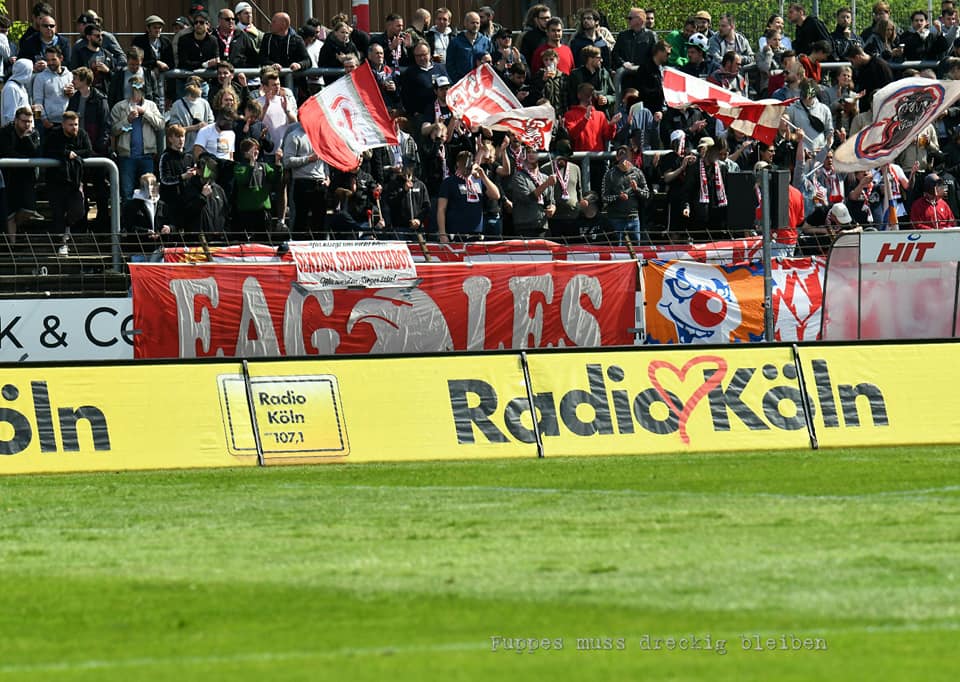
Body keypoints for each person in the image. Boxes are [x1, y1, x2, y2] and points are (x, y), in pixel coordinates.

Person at [67, 66, 111, 233]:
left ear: (84, 80)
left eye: (76, 78)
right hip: (80, 149)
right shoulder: (75, 98)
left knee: (100, 187)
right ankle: (81, 221)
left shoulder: (100, 99)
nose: (73, 81)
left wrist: (100, 146)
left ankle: (102, 221)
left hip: (97, 151)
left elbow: (105, 125)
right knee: (79, 186)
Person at [109, 75, 164, 201]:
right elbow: (113, 130)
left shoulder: (151, 106)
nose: (135, 93)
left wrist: (145, 113)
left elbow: (161, 124)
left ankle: (147, 219)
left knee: (149, 193)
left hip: (147, 156)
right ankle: (128, 220)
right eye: (133, 89)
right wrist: (127, 120)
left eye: (138, 89)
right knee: (127, 193)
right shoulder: (119, 107)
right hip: (126, 157)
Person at [436, 150, 500, 242]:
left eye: (471, 162)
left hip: (477, 233)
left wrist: (483, 176)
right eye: (465, 161)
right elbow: (441, 209)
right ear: (458, 163)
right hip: (456, 233)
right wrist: (442, 233)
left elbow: (496, 195)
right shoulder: (449, 182)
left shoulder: (478, 180)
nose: (468, 165)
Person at [0, 107, 41, 242]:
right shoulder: (6, 132)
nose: (27, 125)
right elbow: (7, 152)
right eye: (24, 121)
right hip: (8, 176)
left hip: (26, 177)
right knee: (9, 212)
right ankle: (12, 245)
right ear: (16, 120)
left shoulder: (33, 133)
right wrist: (24, 159)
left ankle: (15, 232)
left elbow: (36, 153)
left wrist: (27, 137)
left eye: (30, 121)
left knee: (29, 209)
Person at [283, 121, 329, 237]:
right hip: (303, 182)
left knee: (320, 222)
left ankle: (319, 251)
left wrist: (327, 176)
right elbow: (287, 161)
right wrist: (308, 159)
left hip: (321, 183)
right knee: (300, 220)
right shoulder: (294, 135)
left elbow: (325, 160)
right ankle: (298, 249)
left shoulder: (320, 136)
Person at [602, 145, 649, 245]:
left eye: (626, 154)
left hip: (633, 217)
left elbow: (647, 194)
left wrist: (637, 190)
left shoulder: (637, 172)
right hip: (616, 218)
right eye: (620, 154)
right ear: (617, 157)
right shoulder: (610, 174)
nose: (623, 157)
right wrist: (618, 197)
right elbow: (604, 197)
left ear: (630, 156)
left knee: (637, 249)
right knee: (617, 250)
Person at [232, 138, 276, 234]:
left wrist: (278, 163)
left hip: (263, 211)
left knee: (264, 242)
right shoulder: (239, 167)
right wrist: (251, 164)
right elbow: (244, 180)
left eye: (257, 149)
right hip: (246, 212)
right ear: (245, 152)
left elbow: (276, 179)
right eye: (253, 149)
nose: (256, 151)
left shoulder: (264, 166)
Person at [509, 148, 556, 238]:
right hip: (525, 226)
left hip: (542, 226)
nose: (531, 154)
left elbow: (551, 201)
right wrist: (546, 184)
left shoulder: (545, 177)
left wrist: (552, 208)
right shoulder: (518, 176)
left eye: (534, 152)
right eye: (528, 152)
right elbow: (527, 198)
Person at [158, 124, 195, 230]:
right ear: (170, 139)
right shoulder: (165, 157)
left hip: (186, 201)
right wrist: (182, 177)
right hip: (171, 202)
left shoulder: (189, 157)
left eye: (182, 136)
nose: (181, 140)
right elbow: (164, 180)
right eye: (177, 136)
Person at [612, 8, 657, 92]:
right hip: (626, 77)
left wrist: (642, 67)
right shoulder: (623, 35)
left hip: (644, 76)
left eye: (630, 18)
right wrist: (623, 63)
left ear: (639, 19)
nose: (628, 21)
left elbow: (654, 56)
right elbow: (615, 53)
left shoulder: (651, 35)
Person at [121, 172, 174, 239]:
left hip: (160, 245)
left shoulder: (163, 205)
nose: (150, 188)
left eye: (152, 184)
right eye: (145, 185)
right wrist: (145, 232)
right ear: (141, 187)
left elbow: (173, 225)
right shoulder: (131, 205)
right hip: (140, 246)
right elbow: (128, 227)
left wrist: (169, 228)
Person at [167, 78, 214, 151]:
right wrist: (196, 127)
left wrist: (205, 127)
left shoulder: (204, 103)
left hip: (203, 148)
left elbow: (211, 123)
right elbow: (174, 130)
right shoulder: (177, 105)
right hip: (185, 148)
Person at [33, 46, 72, 131]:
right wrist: (42, 120)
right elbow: (36, 101)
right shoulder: (40, 77)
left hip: (67, 122)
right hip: (48, 124)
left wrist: (72, 93)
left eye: (53, 59)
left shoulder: (70, 75)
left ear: (61, 58)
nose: (50, 63)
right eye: (48, 60)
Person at [446, 12, 491, 84]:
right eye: (472, 23)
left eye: (477, 23)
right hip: (462, 84)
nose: (475, 25)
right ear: (465, 24)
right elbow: (450, 65)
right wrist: (458, 81)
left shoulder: (485, 41)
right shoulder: (455, 42)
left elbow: (491, 62)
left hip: (481, 83)